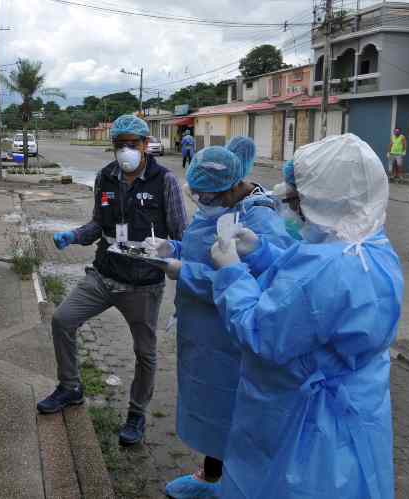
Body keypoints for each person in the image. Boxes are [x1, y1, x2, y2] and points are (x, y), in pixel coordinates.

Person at [209, 134, 403, 499]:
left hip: (308, 424)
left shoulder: (325, 270)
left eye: (298, 199)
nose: (293, 209)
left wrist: (232, 272)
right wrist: (261, 252)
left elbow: (260, 334)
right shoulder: (373, 249)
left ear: (325, 200)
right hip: (359, 409)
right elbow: (302, 282)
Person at [144, 138, 295, 498]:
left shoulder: (258, 219)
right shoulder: (215, 207)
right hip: (201, 333)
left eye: (206, 195)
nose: (201, 201)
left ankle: (235, 484)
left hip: (230, 337)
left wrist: (186, 272)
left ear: (230, 189)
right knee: (208, 410)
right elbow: (199, 245)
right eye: (197, 194)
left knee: (234, 414)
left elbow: (263, 280)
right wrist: (172, 248)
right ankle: (210, 475)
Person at [37, 114, 188, 446]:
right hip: (104, 275)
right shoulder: (105, 176)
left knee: (145, 352)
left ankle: (136, 414)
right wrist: (74, 235)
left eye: (131, 145)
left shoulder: (164, 181)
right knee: (62, 320)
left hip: (143, 284)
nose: (124, 151)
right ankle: (70, 387)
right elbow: (96, 225)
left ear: (146, 145)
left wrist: (171, 256)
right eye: (118, 145)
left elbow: (182, 234)